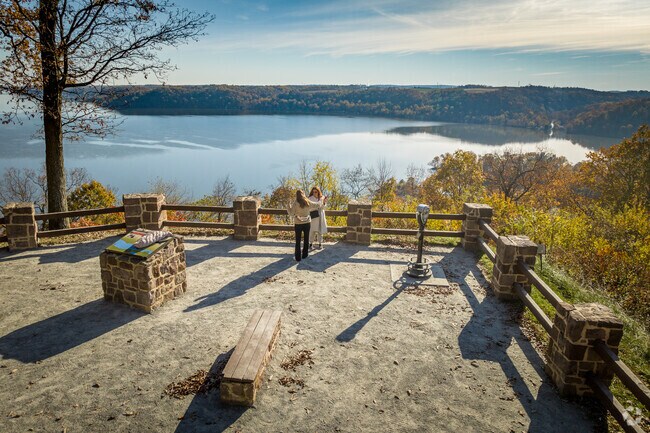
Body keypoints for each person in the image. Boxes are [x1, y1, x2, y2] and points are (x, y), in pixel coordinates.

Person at [288, 189, 324, 261]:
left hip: (298, 223)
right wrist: (321, 200)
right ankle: (305, 255)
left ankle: (298, 257)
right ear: (303, 194)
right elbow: (317, 205)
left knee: (298, 241)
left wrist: (288, 205)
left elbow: (291, 213)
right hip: (307, 223)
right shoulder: (307, 202)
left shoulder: (296, 203)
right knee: (306, 239)